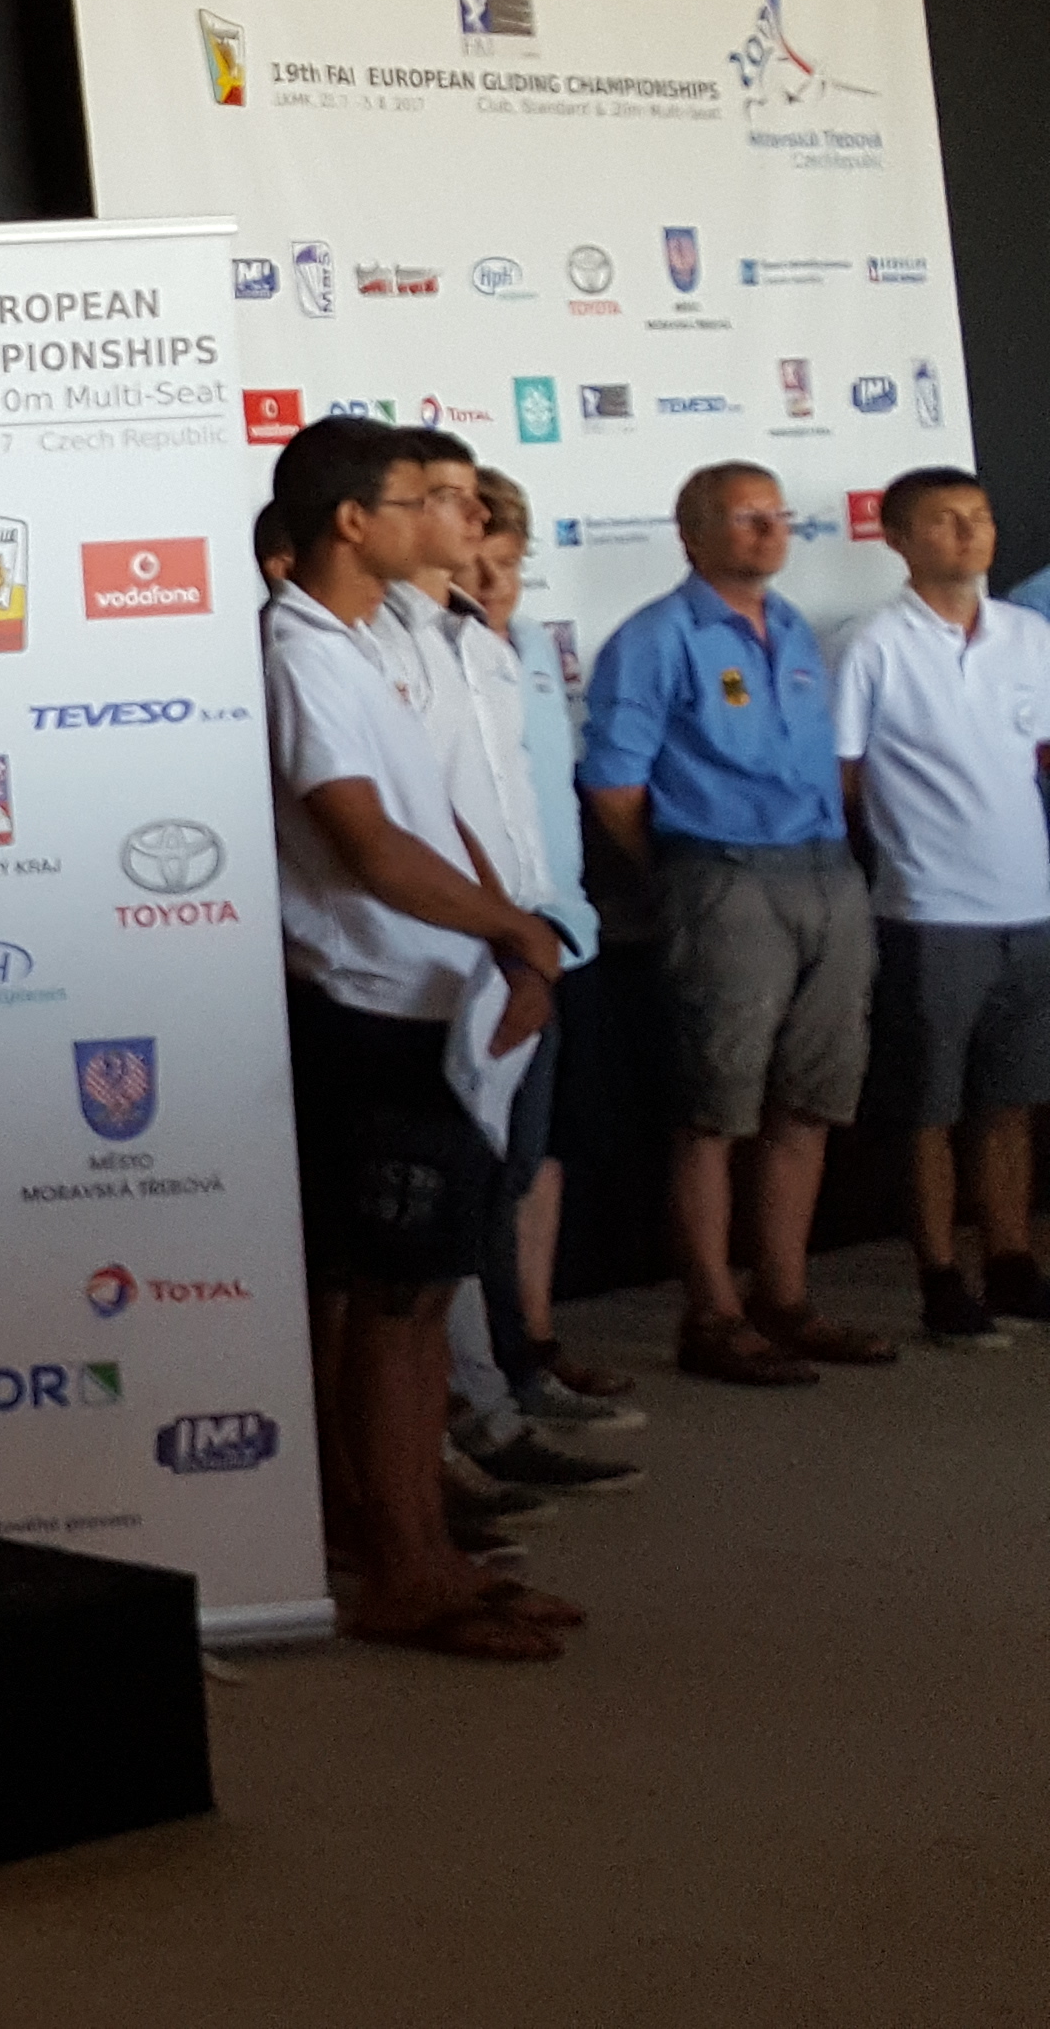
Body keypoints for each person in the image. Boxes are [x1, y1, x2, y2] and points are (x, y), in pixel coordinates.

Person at [260, 418, 576, 1660]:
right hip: (368, 1014)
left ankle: (424, 1550)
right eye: (416, 500)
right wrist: (513, 930)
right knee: (391, 1306)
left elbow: (439, 815)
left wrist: (509, 939)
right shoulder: (299, 652)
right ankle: (400, 1569)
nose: (451, 520)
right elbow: (365, 843)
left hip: (438, 1003)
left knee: (415, 1297)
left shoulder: (370, 640)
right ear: (354, 522)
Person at [580, 462, 890, 1385]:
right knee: (714, 1111)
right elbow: (614, 785)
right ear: (693, 534)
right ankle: (712, 1315)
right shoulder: (655, 637)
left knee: (808, 1102)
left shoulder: (792, 627)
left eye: (776, 515)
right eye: (746, 517)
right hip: (722, 876)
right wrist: (684, 871)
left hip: (827, 873)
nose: (769, 530)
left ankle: (784, 1299)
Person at [400, 449, 637, 1519]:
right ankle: (472, 1406)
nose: (494, 582)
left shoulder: (527, 651)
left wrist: (547, 932)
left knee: (532, 1167)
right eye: (479, 561)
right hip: (468, 955)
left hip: (557, 941)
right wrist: (507, 933)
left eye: (510, 563)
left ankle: (524, 1359)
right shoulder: (411, 657)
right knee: (467, 1188)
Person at [834, 465, 1050, 1345]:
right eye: (945, 520)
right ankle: (939, 1275)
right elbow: (844, 777)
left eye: (980, 517)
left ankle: (1011, 1260)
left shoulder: (1030, 635)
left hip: (1029, 905)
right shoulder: (871, 644)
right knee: (928, 1107)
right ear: (898, 539)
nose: (968, 534)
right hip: (928, 907)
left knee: (1011, 1100)